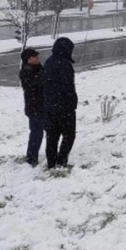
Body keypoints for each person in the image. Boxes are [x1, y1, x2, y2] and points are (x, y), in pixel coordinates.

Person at [43, 37, 78, 169]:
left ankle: (51, 163)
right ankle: (61, 161)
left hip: (50, 107)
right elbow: (68, 86)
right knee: (69, 135)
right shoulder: (64, 64)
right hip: (64, 108)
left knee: (52, 136)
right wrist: (72, 102)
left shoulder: (48, 62)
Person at [19, 48, 45, 167]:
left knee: (45, 131)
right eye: (35, 56)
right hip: (34, 107)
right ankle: (31, 158)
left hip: (43, 106)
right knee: (36, 133)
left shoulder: (38, 67)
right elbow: (35, 86)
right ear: (28, 59)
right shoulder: (26, 71)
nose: (38, 57)